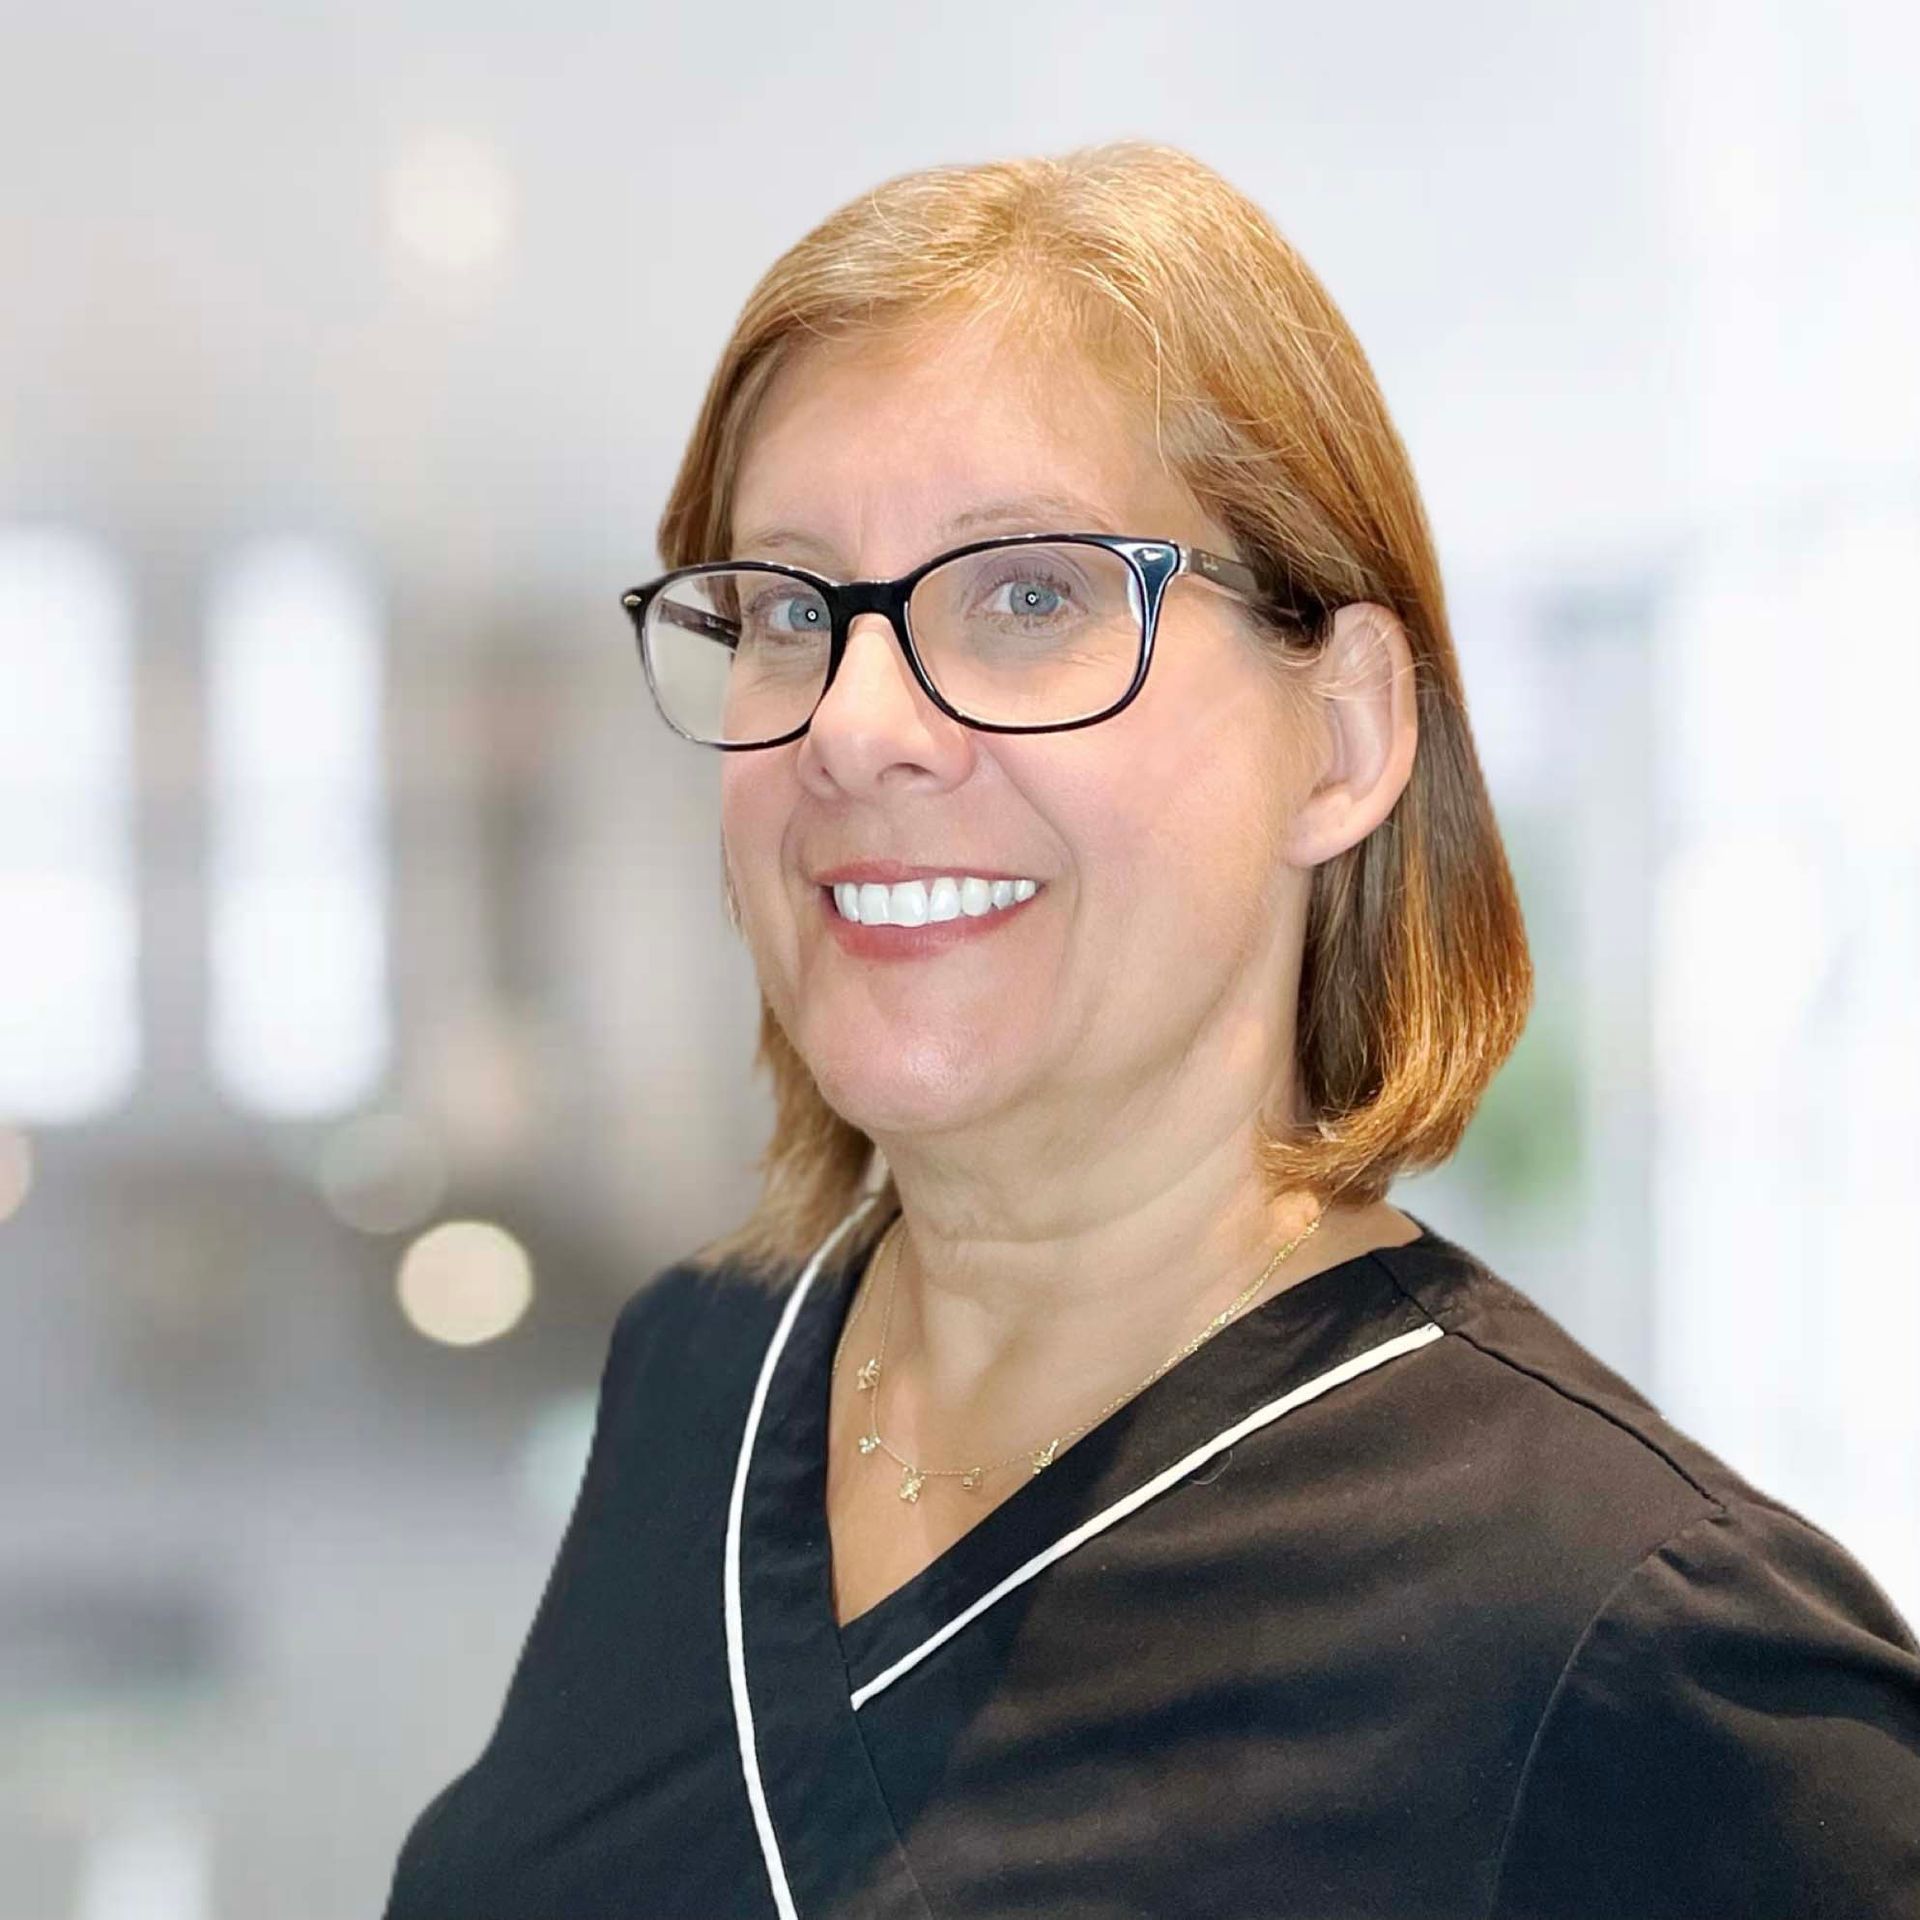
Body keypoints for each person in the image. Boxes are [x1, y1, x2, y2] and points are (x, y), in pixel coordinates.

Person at [381, 141, 1920, 1918]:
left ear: (1341, 737)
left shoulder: (1624, 1649)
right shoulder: (705, 1376)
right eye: (790, 613)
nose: (855, 726)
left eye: (1029, 596)